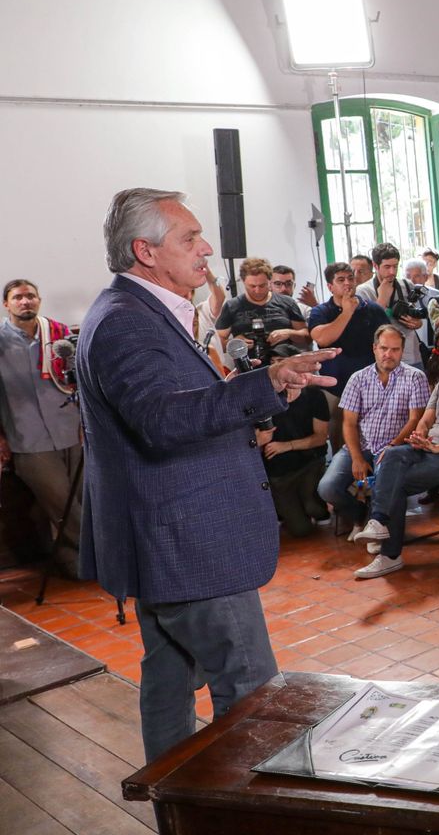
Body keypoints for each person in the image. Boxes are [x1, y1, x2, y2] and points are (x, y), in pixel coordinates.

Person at [76, 188, 336, 762]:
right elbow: (163, 419)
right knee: (251, 694)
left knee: (169, 678)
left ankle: (179, 811)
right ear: (145, 251)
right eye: (189, 238)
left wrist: (261, 389)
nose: (207, 248)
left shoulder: (139, 311)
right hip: (190, 542)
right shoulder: (125, 323)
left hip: (170, 536)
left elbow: (185, 402)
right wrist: (262, 384)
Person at [348, 340, 439, 578]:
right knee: (391, 454)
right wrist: (421, 434)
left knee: (396, 483)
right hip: (427, 447)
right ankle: (379, 523)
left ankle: (389, 554)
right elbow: (426, 419)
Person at [0, 279, 84, 575]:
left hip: (71, 431)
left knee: (84, 497)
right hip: (28, 439)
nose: (26, 302)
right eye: (18, 297)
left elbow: (80, 382)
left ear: (39, 300)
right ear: (6, 304)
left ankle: (73, 560)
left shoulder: (60, 335)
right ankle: (92, 556)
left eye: (31, 296)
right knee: (60, 504)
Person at [319, 325, 430, 529]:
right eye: (384, 348)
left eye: (395, 349)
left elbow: (415, 420)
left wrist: (393, 446)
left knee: (385, 484)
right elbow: (349, 423)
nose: (389, 354)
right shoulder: (358, 378)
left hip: (396, 447)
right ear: (374, 348)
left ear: (402, 350)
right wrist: (356, 458)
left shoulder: (416, 377)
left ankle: (378, 526)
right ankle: (360, 515)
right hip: (361, 445)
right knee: (328, 488)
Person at [308, 261, 392, 449]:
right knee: (342, 443)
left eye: (350, 278)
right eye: (341, 280)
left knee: (375, 440)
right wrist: (347, 312)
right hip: (337, 389)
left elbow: (388, 341)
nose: (347, 283)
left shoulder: (372, 309)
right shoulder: (321, 312)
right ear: (330, 287)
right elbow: (323, 339)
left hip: (372, 388)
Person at [258, 372, 331, 540]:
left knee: (314, 507)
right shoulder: (265, 401)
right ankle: (285, 509)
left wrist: (286, 446)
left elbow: (320, 438)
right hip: (279, 472)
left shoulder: (314, 395)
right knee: (300, 530)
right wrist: (260, 440)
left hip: (309, 463)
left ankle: (316, 508)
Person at [215, 257, 310, 363]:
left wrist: (289, 333)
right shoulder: (232, 306)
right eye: (252, 286)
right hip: (250, 368)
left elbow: (306, 337)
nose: (257, 290)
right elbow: (217, 343)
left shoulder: (287, 302)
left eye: (262, 285)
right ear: (243, 282)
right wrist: (234, 343)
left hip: (283, 364)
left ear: (270, 281)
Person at [355, 243, 428, 366]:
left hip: (411, 355)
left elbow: (416, 316)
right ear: (375, 265)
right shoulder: (363, 291)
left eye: (395, 266)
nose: (392, 272)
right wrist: (382, 299)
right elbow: (365, 327)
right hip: (382, 359)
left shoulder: (406, 285)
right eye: (387, 267)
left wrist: (417, 323)